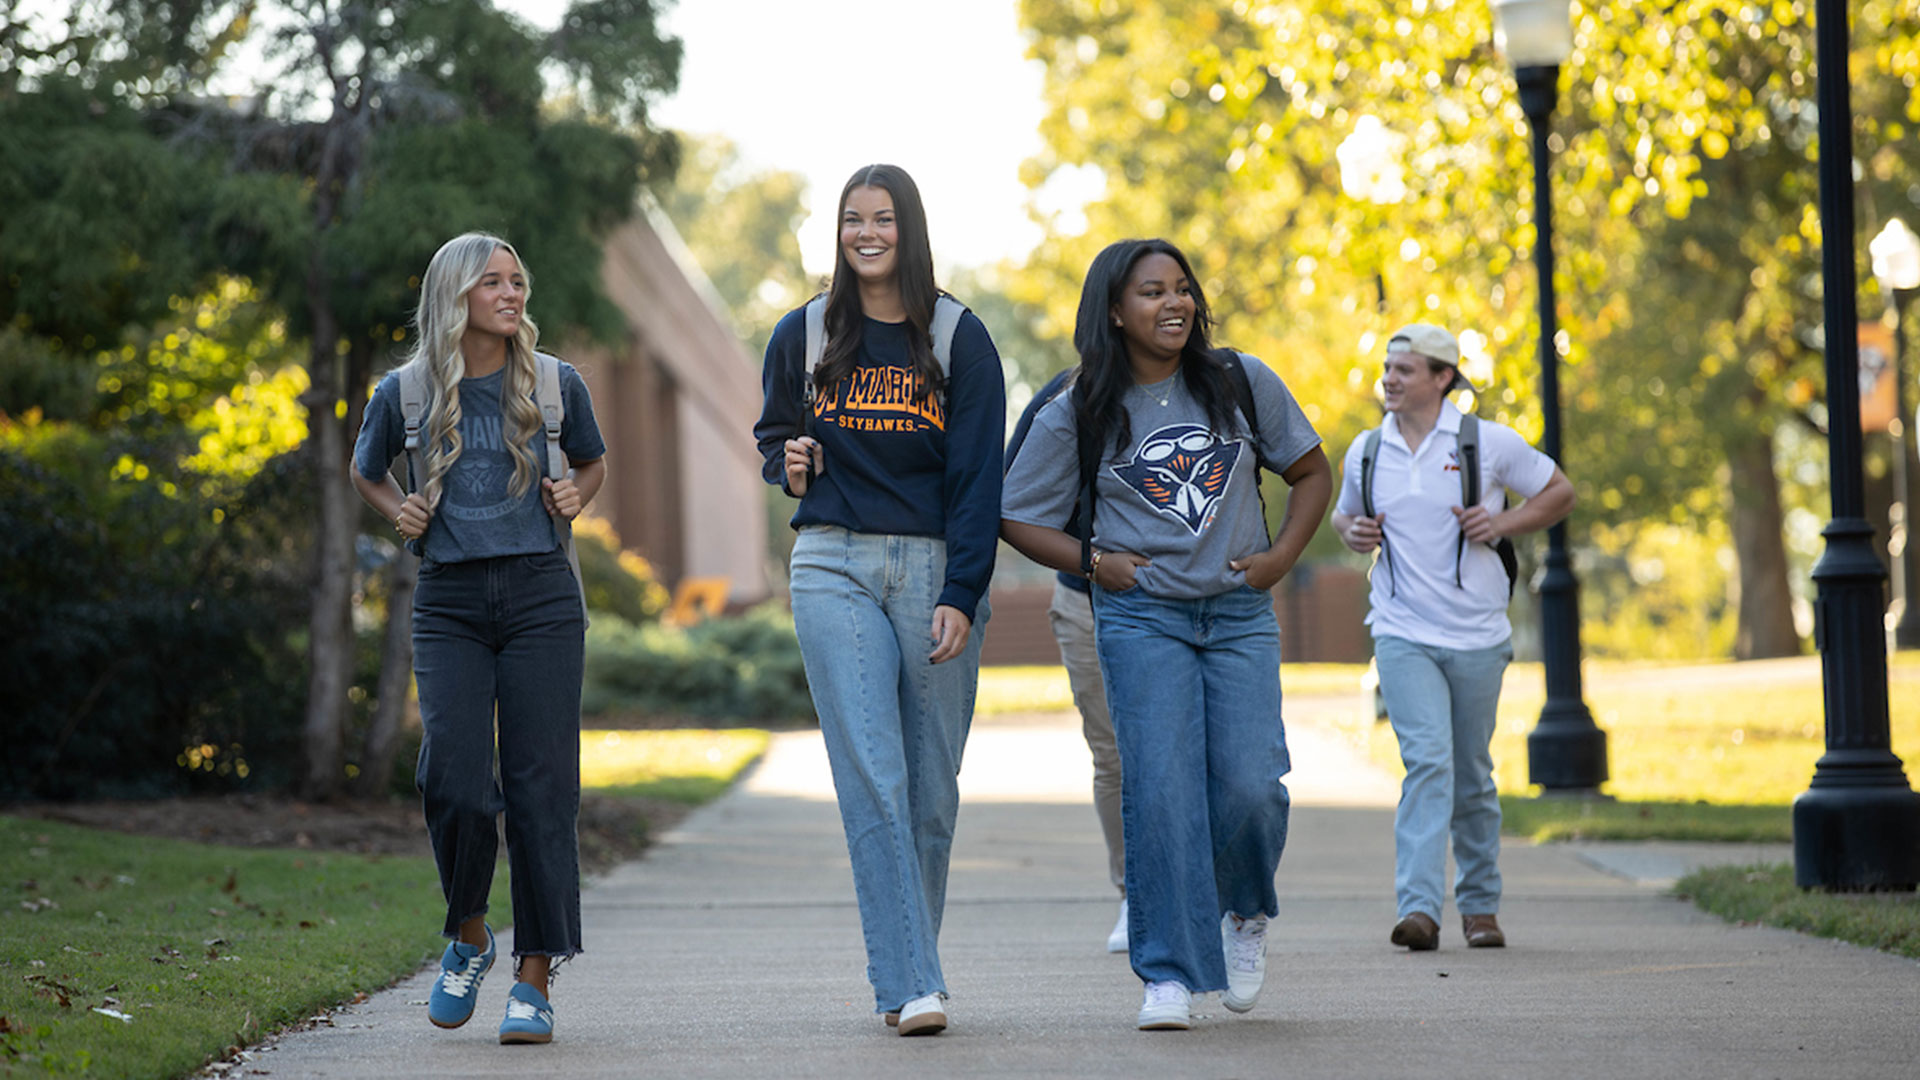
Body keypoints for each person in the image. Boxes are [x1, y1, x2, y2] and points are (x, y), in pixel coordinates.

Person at [1001, 238, 1330, 1031]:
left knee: (1252, 787)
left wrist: (1281, 557)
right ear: (1115, 311)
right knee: (1161, 792)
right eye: (1152, 293)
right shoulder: (1079, 406)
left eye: (1182, 288)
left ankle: (1245, 913)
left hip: (1239, 615)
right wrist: (1093, 562)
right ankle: (1169, 974)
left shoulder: (1238, 381)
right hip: (1143, 618)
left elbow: (1312, 472)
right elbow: (1014, 514)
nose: (1173, 304)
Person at [752, 164, 1005, 1037]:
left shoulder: (959, 335)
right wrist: (786, 462)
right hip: (832, 563)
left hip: (934, 569)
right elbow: (774, 436)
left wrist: (965, 592)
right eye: (854, 219)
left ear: (911, 228)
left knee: (932, 792)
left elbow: (979, 482)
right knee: (875, 776)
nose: (867, 233)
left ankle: (910, 971)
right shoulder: (805, 330)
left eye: (884, 219)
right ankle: (912, 981)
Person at [351, 232, 606, 1046]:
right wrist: (400, 509)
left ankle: (535, 975)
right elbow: (366, 468)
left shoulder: (557, 381)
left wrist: (575, 494)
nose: (511, 293)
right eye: (492, 282)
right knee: (453, 778)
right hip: (450, 601)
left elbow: (594, 464)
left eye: (516, 280)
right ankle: (468, 932)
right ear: (454, 295)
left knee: (542, 789)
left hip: (541, 598)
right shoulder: (408, 390)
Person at [1330, 323, 1575, 952]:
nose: (1389, 379)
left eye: (1404, 370)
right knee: (1428, 762)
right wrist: (1352, 532)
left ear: (1442, 378)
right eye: (1387, 368)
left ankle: (1480, 906)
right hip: (1401, 630)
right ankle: (1418, 910)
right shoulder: (1366, 449)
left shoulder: (1484, 442)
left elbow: (1558, 491)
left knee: (1470, 773)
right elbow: (1343, 513)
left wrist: (1502, 520)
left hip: (1476, 634)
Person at [1006, 369, 1130, 953]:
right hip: (1087, 600)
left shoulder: (1202, 388)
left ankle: (1207, 894)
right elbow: (1014, 497)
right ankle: (1137, 895)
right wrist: (1093, 554)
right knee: (1114, 754)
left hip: (1185, 598)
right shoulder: (1065, 398)